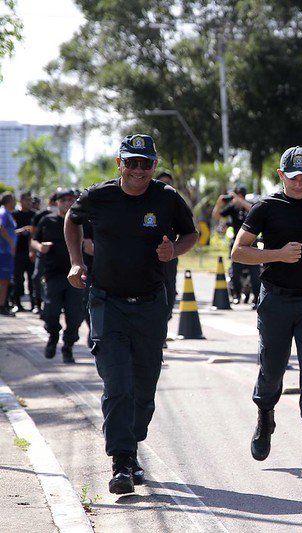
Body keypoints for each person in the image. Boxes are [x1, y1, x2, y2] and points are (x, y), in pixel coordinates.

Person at [65, 134, 198, 495]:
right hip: (108, 303)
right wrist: (76, 263)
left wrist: (175, 251)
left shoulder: (167, 198)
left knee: (143, 388)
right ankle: (121, 461)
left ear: (154, 166)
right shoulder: (99, 196)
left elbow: (192, 234)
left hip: (151, 304)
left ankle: (132, 444)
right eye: (132, 162)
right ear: (119, 163)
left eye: (146, 163)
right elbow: (72, 220)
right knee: (118, 384)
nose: (139, 170)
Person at [231, 146, 302, 479]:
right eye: (293, 177)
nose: (299, 183)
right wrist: (276, 254)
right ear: (281, 176)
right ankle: (265, 414)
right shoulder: (266, 207)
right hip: (275, 300)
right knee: (272, 368)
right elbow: (238, 252)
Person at [31, 189, 83, 362]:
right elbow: (33, 240)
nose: (68, 203)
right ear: (57, 202)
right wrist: (40, 247)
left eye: (71, 200)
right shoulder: (48, 220)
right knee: (50, 313)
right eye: (64, 200)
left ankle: (68, 346)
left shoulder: (81, 221)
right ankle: (53, 335)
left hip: (76, 278)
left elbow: (94, 240)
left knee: (75, 316)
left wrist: (91, 245)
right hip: (53, 275)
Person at [212, 183, 260, 307]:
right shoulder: (233, 208)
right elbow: (216, 216)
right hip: (237, 245)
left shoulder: (250, 206)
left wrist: (240, 200)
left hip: (252, 244)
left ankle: (256, 299)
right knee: (235, 272)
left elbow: (253, 209)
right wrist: (219, 203)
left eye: (238, 195)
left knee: (255, 274)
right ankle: (236, 295)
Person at [155, 170, 179, 317]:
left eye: (169, 183)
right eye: (162, 182)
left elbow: (189, 230)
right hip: (148, 255)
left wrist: (176, 249)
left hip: (169, 255)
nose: (166, 185)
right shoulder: (145, 200)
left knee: (169, 289)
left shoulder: (175, 202)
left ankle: (165, 321)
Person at [11, 191, 35, 312]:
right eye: (26, 200)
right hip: (18, 251)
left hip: (31, 252)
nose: (29, 202)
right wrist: (21, 231)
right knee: (18, 279)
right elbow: (9, 232)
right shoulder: (14, 215)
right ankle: (17, 303)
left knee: (33, 279)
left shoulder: (34, 215)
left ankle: (34, 303)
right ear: (21, 201)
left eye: (30, 200)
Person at [0, 192, 17, 316]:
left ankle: (3, 303)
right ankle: (1, 306)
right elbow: (0, 226)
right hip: (3, 252)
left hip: (6, 253)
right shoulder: (3, 212)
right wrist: (11, 243)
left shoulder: (8, 213)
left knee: (5, 280)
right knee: (3, 280)